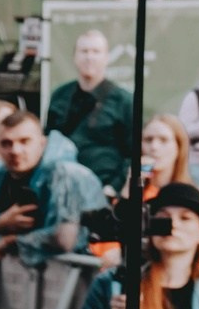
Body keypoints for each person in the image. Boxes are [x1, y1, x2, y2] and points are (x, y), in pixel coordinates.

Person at [0, 108, 104, 266]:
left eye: (24, 141)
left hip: (85, 274)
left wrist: (13, 241)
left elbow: (65, 238)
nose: (15, 151)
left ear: (42, 143)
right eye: (6, 143)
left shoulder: (66, 176)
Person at [45, 27, 136, 196]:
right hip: (62, 188)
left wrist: (114, 187)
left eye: (96, 51)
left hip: (103, 189)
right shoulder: (60, 96)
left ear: (107, 58)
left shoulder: (124, 101)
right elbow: (48, 141)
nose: (89, 57)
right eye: (84, 51)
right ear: (74, 57)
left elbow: (133, 153)